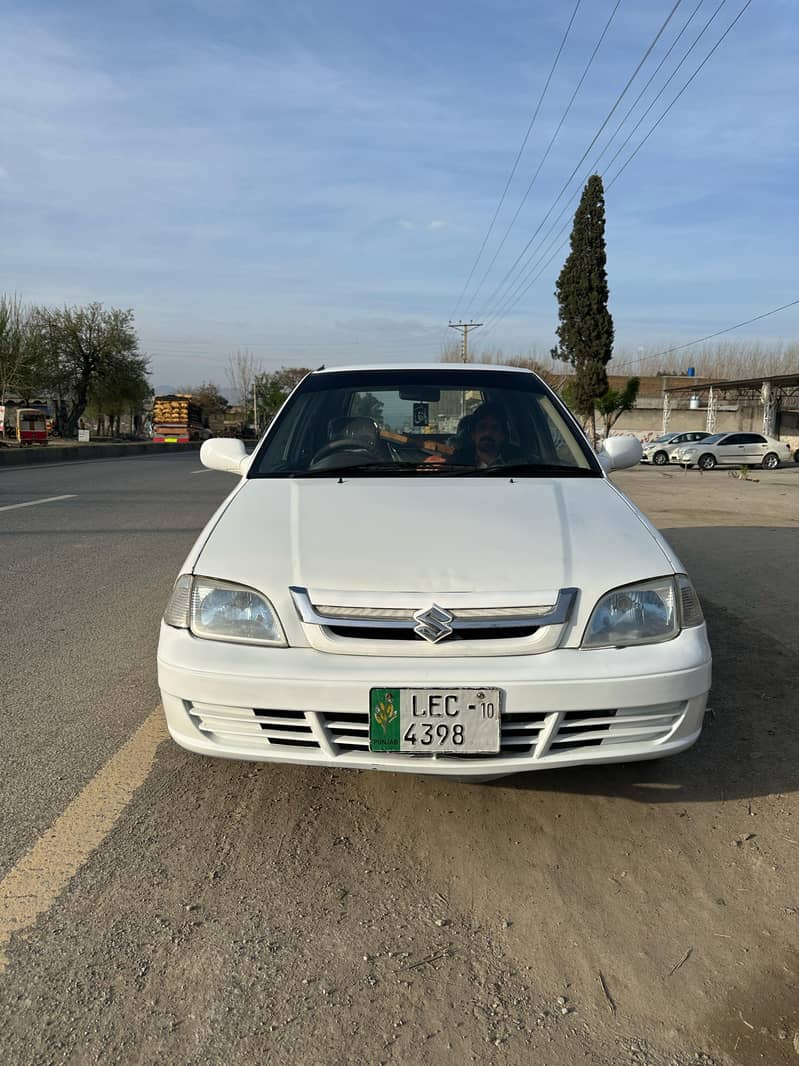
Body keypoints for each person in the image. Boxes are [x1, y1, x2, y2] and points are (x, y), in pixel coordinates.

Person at [449, 402, 519, 468]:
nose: (487, 433)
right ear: (473, 435)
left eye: (494, 428)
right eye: (482, 427)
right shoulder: (457, 462)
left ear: (503, 436)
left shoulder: (517, 461)